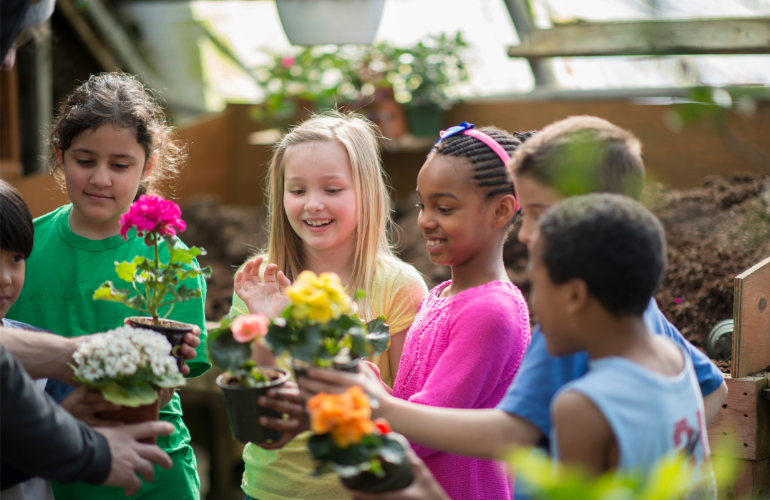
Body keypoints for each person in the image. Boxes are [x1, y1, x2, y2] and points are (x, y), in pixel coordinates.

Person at [300, 116, 727, 497]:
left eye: (538, 212)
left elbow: (508, 432)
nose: (525, 231)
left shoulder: (559, 357)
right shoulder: (657, 342)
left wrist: (379, 409)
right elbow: (713, 389)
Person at [6, 72, 210, 500]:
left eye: (120, 165)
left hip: (150, 472)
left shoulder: (171, 260)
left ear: (148, 165)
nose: (101, 178)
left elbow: (167, 384)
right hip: (46, 470)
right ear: (59, 156)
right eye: (85, 161)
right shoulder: (22, 251)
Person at [230, 112, 428, 500]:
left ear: (366, 191)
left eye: (332, 190)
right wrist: (267, 331)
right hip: (271, 490)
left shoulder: (398, 286)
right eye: (298, 190)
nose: (313, 204)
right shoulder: (257, 282)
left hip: (364, 490)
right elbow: (252, 418)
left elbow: (409, 414)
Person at [0, 181, 177, 497]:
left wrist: (154, 373)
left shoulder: (33, 341)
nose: (5, 278)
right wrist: (93, 452)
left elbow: (86, 411)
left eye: (16, 258)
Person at [532, 194, 713, 489]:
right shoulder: (674, 359)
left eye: (536, 286)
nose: (534, 304)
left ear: (575, 295)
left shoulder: (582, 406)